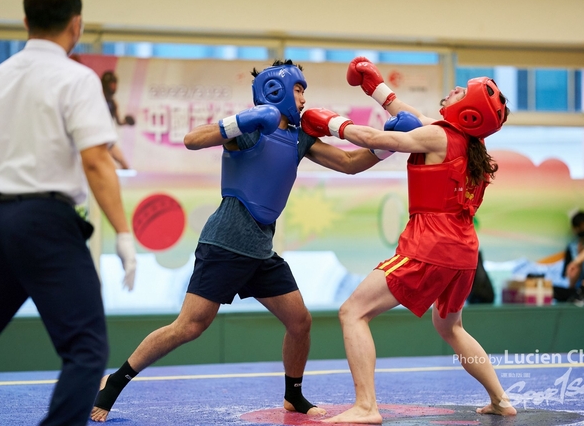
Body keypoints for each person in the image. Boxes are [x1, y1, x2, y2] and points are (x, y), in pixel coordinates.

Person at [90, 59, 383, 422]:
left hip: (261, 249)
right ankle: (114, 383)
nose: (304, 97)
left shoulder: (299, 137)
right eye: (298, 88)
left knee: (300, 322)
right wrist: (241, 120)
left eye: (305, 89)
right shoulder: (250, 129)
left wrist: (389, 146)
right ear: (276, 90)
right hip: (226, 243)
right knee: (189, 327)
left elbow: (350, 163)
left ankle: (293, 395)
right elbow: (192, 140)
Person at [300, 56, 517, 423]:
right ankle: (500, 399)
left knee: (353, 312)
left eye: (460, 91)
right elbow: (412, 115)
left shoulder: (436, 136)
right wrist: (377, 87)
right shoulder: (469, 147)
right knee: (450, 326)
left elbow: (374, 138)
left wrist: (333, 122)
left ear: (468, 112)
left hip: (429, 246)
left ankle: (366, 407)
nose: (452, 91)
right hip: (463, 252)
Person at [0, 0, 137, 425]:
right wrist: (124, 235)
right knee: (86, 350)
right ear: (77, 24)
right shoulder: (76, 78)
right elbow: (95, 161)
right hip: (44, 225)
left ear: (24, 22)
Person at [101, 70, 133, 169]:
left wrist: (126, 121)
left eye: (115, 84)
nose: (114, 87)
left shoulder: (113, 103)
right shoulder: (97, 99)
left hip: (108, 139)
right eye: (112, 84)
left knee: (124, 165)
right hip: (98, 140)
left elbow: (119, 121)